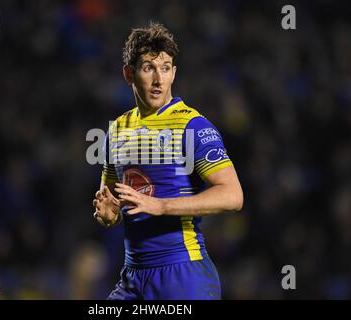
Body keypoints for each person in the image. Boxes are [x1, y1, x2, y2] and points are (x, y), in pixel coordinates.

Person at [92, 22, 243, 300]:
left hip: (183, 276)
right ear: (129, 74)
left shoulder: (192, 125)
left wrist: (161, 206)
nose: (159, 80)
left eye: (165, 68)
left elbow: (233, 195)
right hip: (133, 278)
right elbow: (113, 203)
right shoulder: (117, 130)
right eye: (149, 67)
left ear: (174, 73)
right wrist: (109, 214)